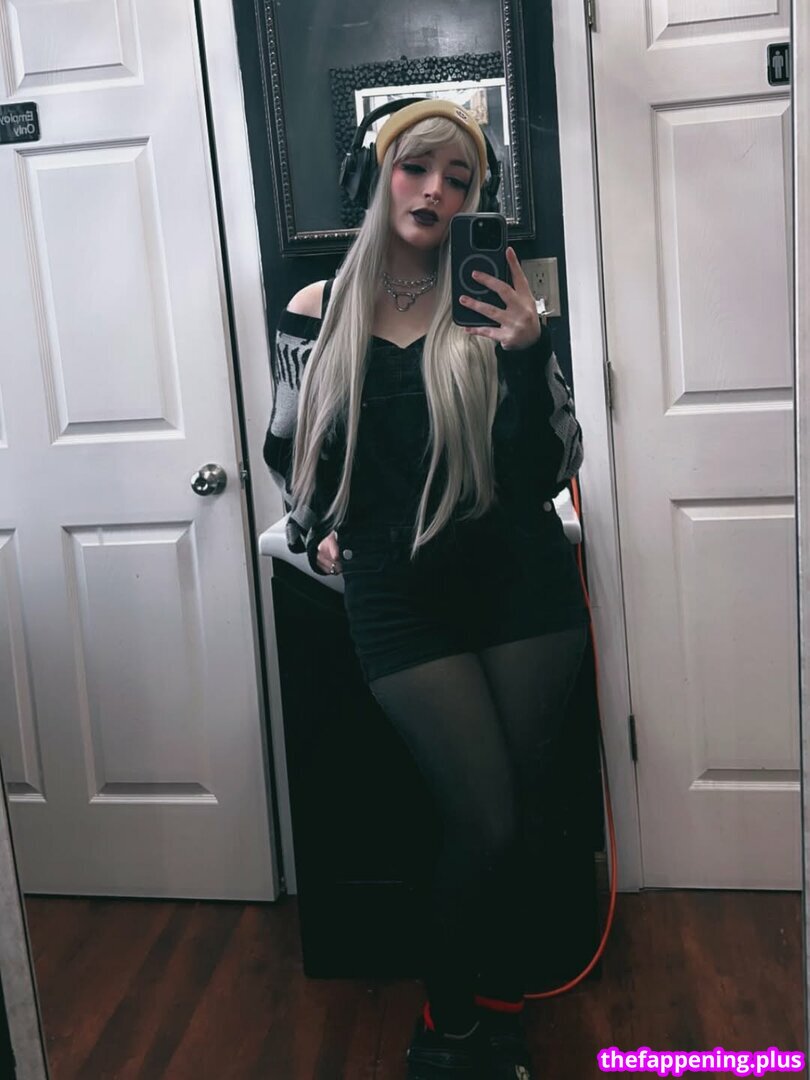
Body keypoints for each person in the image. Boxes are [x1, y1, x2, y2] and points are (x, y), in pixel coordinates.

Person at [263, 99, 590, 1080]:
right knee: (482, 816)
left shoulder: (499, 300)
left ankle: (498, 1009)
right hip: (399, 601)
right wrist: (320, 534)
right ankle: (446, 1021)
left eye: (459, 179)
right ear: (378, 176)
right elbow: (289, 452)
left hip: (520, 584)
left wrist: (529, 355)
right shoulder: (317, 310)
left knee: (519, 820)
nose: (436, 191)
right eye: (417, 168)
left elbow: (552, 465)